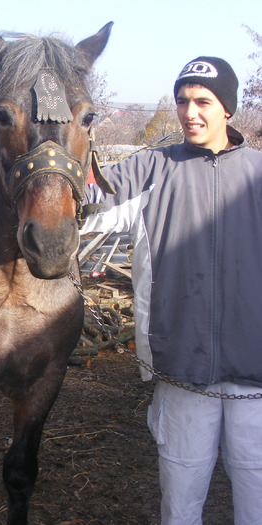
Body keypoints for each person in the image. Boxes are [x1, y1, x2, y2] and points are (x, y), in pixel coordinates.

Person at [81, 57, 262, 524]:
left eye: (203, 100)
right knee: (180, 507)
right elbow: (83, 199)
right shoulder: (150, 169)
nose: (189, 112)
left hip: (257, 378)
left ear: (228, 108)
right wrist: (72, 144)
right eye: (182, 101)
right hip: (182, 368)